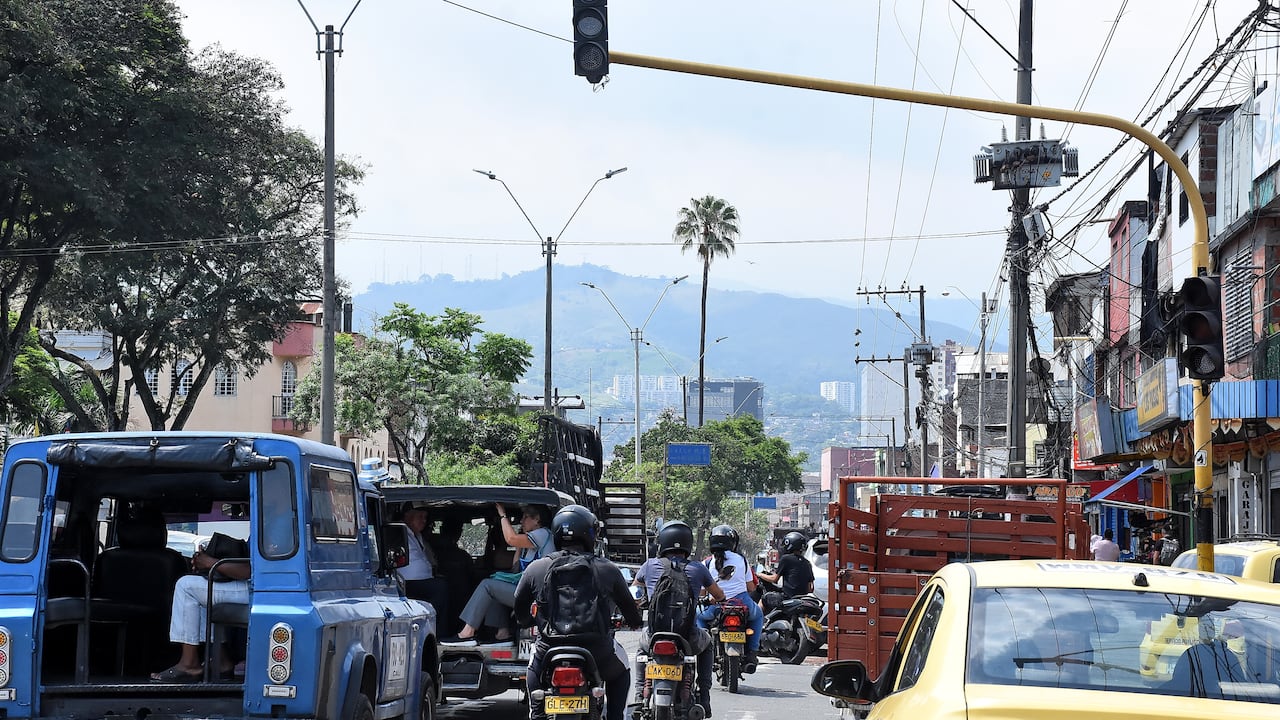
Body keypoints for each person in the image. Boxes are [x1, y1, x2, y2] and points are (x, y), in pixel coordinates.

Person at [514, 505, 642, 720]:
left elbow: (519, 602)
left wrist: (526, 620)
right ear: (590, 534)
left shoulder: (537, 568)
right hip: (598, 650)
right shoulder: (607, 568)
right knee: (622, 671)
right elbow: (628, 606)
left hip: (549, 649)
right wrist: (635, 622)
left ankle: (537, 713)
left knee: (532, 670)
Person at [631, 520, 725, 718]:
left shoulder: (649, 566)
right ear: (688, 544)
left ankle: (639, 696)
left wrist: (642, 600)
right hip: (687, 636)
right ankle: (705, 695)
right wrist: (717, 600)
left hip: (655, 635)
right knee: (707, 643)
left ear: (662, 543)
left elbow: (636, 590)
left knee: (641, 649)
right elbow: (718, 595)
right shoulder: (698, 568)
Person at [444, 503, 553, 645]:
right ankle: (502, 634)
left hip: (536, 596)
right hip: (529, 592)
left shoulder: (542, 533)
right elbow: (515, 567)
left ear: (537, 519)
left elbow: (511, 539)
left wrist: (502, 515)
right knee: (496, 585)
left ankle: (467, 632)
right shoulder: (532, 540)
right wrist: (520, 545)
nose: (521, 521)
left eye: (525, 517)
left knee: (486, 586)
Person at [150, 535, 251, 682]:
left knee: (186, 586)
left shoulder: (272, 525)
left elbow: (248, 571)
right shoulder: (267, 521)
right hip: (256, 587)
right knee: (200, 589)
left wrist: (211, 562)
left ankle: (189, 664)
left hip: (261, 589)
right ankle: (221, 661)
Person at [696, 524, 763, 673]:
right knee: (758, 616)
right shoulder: (741, 559)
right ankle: (752, 652)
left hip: (716, 606)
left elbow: (701, 592)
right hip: (742, 603)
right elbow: (751, 587)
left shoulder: (706, 563)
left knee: (698, 617)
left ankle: (705, 646)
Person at [400, 505, 450, 624]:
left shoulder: (417, 535)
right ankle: (437, 629)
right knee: (440, 587)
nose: (424, 521)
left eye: (425, 517)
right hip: (408, 582)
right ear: (408, 515)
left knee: (445, 583)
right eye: (420, 517)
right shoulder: (399, 532)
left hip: (423, 579)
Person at [757, 531, 814, 599]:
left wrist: (759, 574)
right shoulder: (807, 563)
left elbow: (774, 579)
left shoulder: (786, 559)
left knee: (764, 600)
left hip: (787, 597)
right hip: (803, 599)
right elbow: (810, 588)